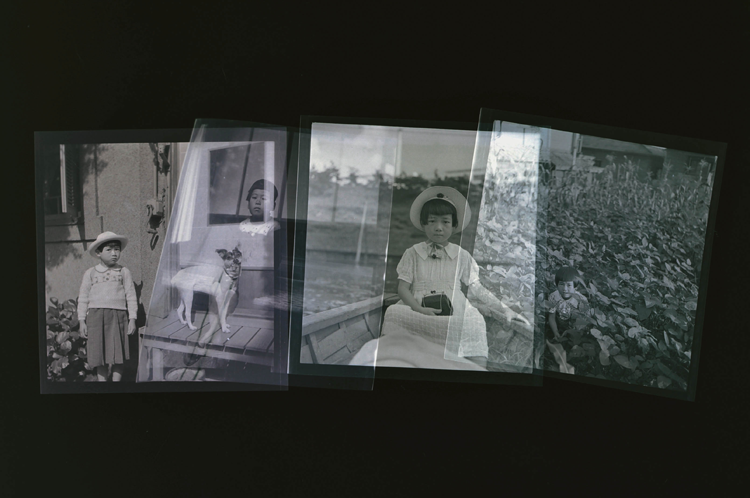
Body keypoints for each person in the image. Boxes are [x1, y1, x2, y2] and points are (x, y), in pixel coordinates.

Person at [350, 186, 530, 370]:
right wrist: (419, 309)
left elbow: (477, 288)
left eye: (445, 222)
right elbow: (402, 288)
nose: (438, 227)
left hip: (454, 311)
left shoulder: (461, 255)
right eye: (432, 221)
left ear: (454, 226)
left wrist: (505, 309)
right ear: (423, 224)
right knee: (393, 313)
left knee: (474, 320)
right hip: (417, 309)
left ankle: (471, 369)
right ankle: (398, 361)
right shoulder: (412, 253)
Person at [77, 232, 138, 382]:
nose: (114, 253)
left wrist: (132, 319)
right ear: (98, 253)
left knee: (118, 354)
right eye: (109, 250)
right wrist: (82, 321)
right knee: (100, 355)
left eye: (117, 249)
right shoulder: (90, 273)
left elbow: (131, 296)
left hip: (118, 317)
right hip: (96, 317)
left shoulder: (124, 272)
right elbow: (83, 298)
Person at [547, 266, 590, 342]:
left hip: (575, 329)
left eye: (569, 285)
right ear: (556, 285)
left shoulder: (581, 300)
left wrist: (572, 332)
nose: (565, 289)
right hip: (559, 326)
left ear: (575, 287)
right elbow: (552, 317)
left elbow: (584, 321)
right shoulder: (553, 297)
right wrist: (556, 332)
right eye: (561, 284)